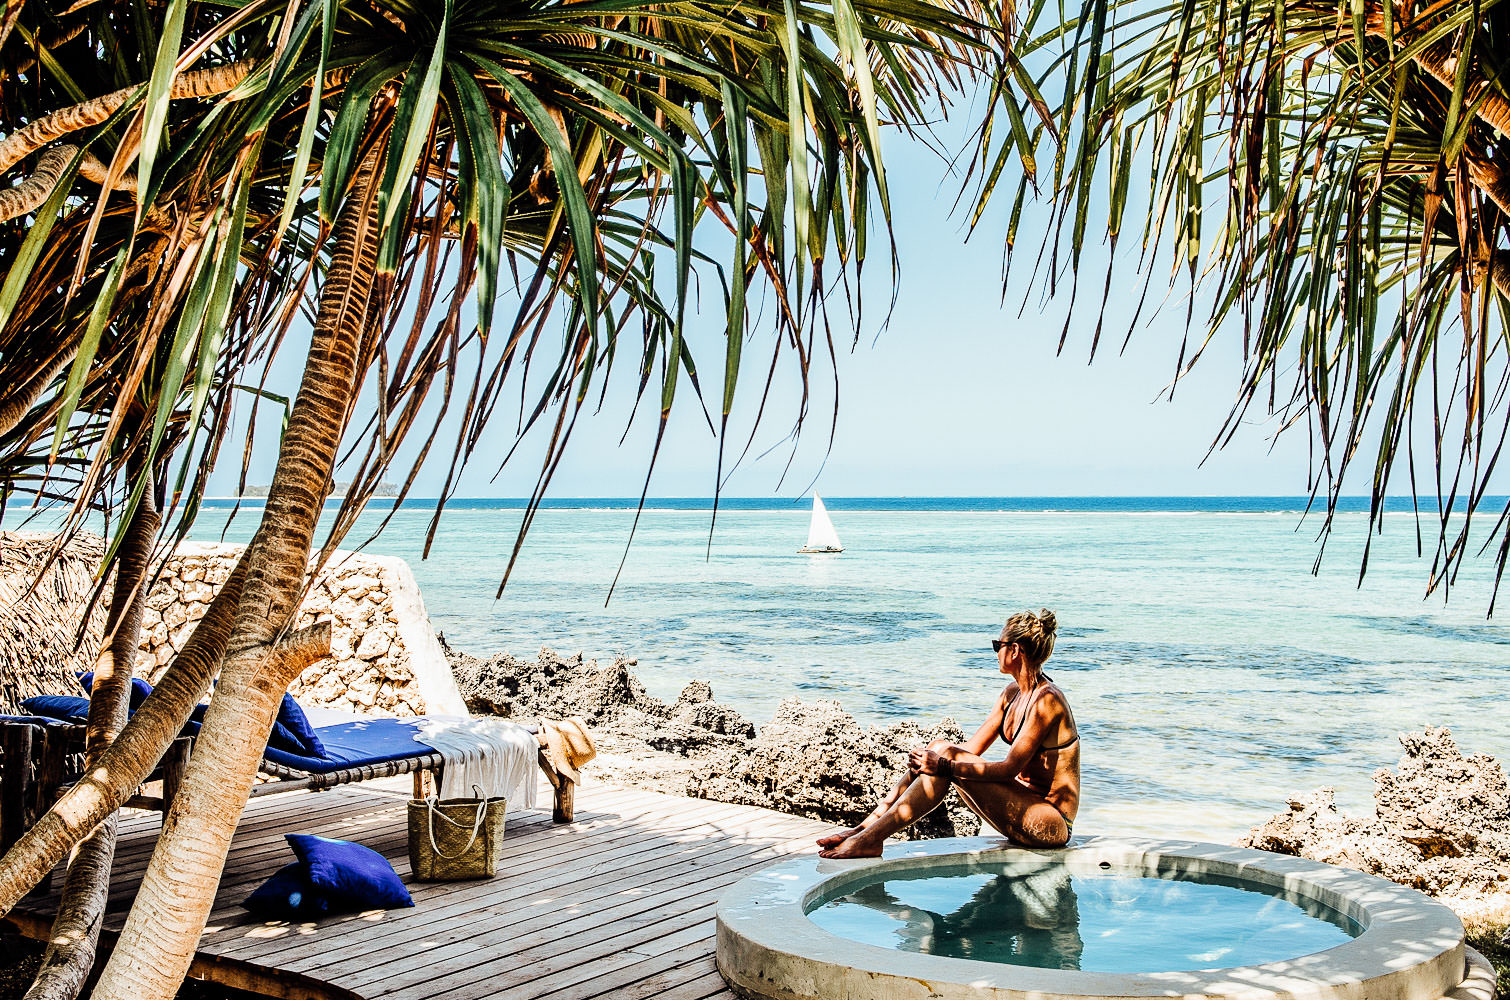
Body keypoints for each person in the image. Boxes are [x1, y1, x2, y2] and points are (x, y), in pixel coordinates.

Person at [817, 609, 1080, 858]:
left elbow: (1009, 769)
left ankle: (870, 838)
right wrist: (930, 760)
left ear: (1014, 650)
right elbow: (970, 750)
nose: (995, 652)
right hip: (1020, 808)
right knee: (940, 748)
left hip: (1050, 823)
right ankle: (863, 830)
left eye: (996, 645)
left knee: (944, 760)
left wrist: (943, 764)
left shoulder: (1048, 701)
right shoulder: (1012, 695)